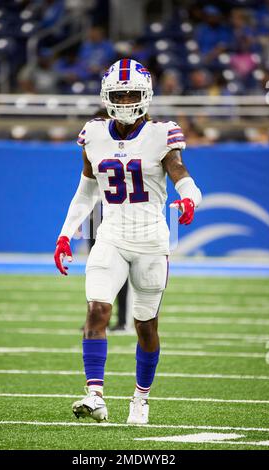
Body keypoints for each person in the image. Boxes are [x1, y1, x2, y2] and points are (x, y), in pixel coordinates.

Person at [54, 59, 202, 424]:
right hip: (111, 235)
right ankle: (95, 395)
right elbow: (86, 192)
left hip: (152, 240)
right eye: (117, 93)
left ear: (145, 96)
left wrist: (190, 198)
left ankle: (141, 398)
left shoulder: (162, 133)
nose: (123, 99)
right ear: (106, 95)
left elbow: (181, 173)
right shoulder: (93, 133)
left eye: (130, 93)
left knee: (145, 325)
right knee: (96, 309)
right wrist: (64, 235)